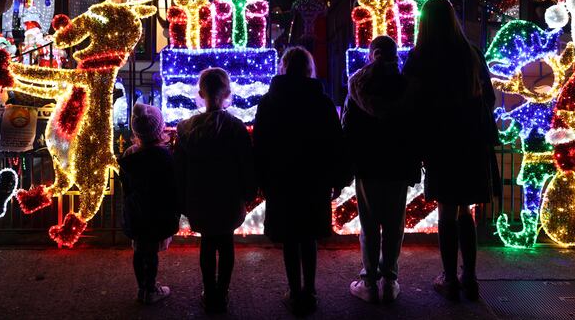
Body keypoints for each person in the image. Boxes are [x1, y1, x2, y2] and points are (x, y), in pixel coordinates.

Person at [403, 0, 499, 302]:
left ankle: (449, 278)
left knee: (446, 211)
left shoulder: (422, 56)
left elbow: (411, 101)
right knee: (465, 211)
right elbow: (490, 98)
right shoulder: (471, 53)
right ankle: (469, 277)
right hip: (472, 140)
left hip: (440, 141)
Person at [253, 46, 348, 316]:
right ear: (309, 69)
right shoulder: (322, 101)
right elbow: (334, 143)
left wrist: (261, 178)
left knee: (290, 238)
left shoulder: (269, 102)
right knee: (308, 237)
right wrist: (337, 178)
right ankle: (310, 290)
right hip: (313, 179)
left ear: (284, 67)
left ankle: (295, 291)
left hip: (281, 178)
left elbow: (260, 143)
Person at [342, 35, 421, 303]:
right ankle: (390, 280)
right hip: (398, 163)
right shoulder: (405, 86)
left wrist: (349, 161)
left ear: (372, 54)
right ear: (394, 55)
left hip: (367, 163)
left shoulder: (358, 85)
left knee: (370, 224)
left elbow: (347, 127)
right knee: (394, 223)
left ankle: (370, 282)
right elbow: (414, 129)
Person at [175, 68, 255, 313]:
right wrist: (248, 192)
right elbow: (247, 164)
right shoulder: (236, 128)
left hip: (200, 198)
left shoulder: (186, 129)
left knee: (208, 244)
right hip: (229, 197)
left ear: (201, 93)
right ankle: (222, 291)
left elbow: (179, 169)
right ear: (227, 93)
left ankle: (209, 291)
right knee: (226, 242)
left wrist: (182, 199)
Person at [118, 103, 180, 304]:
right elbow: (172, 186)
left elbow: (125, 184)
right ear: (159, 129)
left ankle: (141, 289)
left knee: (138, 250)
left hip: (135, 211)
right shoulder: (164, 156)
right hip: (156, 213)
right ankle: (151, 289)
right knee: (151, 253)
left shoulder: (129, 155)